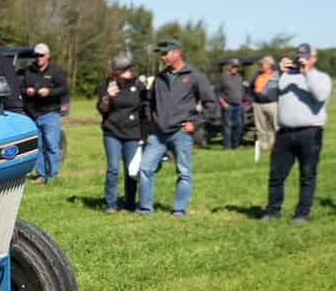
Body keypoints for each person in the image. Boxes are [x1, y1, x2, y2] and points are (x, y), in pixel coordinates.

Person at [136, 39, 217, 218]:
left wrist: (195, 124)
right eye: (161, 54)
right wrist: (151, 122)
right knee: (145, 169)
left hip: (181, 133)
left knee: (184, 172)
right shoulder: (159, 78)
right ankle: (145, 209)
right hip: (157, 133)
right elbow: (149, 102)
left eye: (165, 53)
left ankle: (179, 210)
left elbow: (211, 105)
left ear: (177, 53)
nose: (163, 57)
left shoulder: (195, 76)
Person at [261, 44, 332, 224]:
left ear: (313, 59)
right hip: (285, 132)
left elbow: (320, 95)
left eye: (306, 57)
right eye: (299, 56)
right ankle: (272, 211)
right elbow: (266, 93)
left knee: (307, 175)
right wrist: (277, 72)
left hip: (310, 132)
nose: (301, 60)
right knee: (276, 175)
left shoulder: (321, 77)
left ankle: (302, 214)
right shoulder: (285, 76)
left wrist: (306, 73)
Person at [97, 51, 145, 212]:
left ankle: (130, 203)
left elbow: (145, 107)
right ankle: (110, 204)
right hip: (112, 132)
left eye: (130, 67)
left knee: (131, 170)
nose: (129, 70)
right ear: (116, 71)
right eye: (125, 68)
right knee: (113, 168)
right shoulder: (107, 85)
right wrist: (107, 97)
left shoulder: (138, 85)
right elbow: (102, 109)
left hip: (132, 133)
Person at [21, 43, 68, 183]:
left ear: (47, 56)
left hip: (50, 113)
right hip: (33, 113)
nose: (38, 58)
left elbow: (63, 89)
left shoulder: (56, 71)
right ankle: (41, 175)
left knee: (52, 145)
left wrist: (49, 92)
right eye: (36, 55)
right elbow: (20, 88)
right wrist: (26, 91)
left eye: (41, 55)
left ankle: (52, 175)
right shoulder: (28, 71)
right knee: (38, 146)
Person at [249, 56, 278, 162]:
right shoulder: (257, 75)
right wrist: (253, 98)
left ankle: (275, 145)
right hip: (258, 104)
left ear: (269, 65)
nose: (261, 66)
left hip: (272, 104)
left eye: (263, 64)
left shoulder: (276, 75)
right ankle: (264, 146)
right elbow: (250, 86)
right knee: (260, 127)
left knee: (274, 125)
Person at [214, 58, 246, 150]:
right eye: (233, 66)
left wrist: (242, 101)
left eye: (236, 67)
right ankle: (227, 146)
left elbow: (241, 90)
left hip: (238, 105)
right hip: (228, 105)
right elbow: (217, 91)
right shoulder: (222, 77)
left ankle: (235, 145)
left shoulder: (239, 77)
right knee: (227, 127)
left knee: (239, 126)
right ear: (228, 66)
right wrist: (223, 102)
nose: (234, 68)